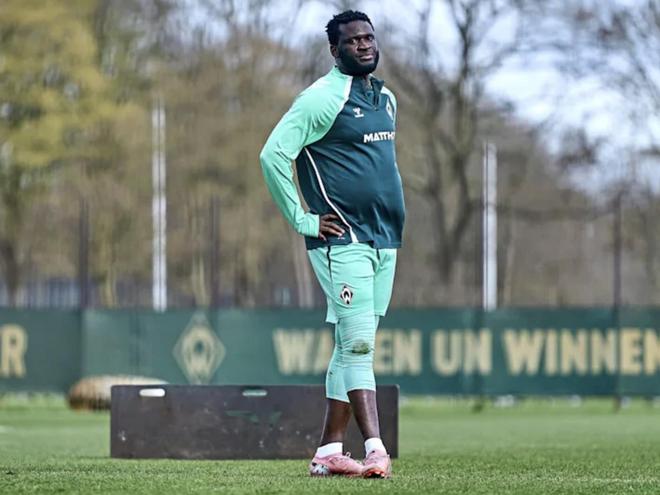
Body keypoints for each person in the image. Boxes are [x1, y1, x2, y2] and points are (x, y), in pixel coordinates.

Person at [260, 10, 404, 479]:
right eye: (353, 40)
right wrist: (302, 218)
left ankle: (328, 452)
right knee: (359, 346)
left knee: (349, 345)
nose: (364, 45)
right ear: (334, 49)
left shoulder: (386, 99)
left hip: (385, 239)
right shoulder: (320, 98)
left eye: (369, 37)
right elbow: (273, 155)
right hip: (343, 241)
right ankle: (376, 449)